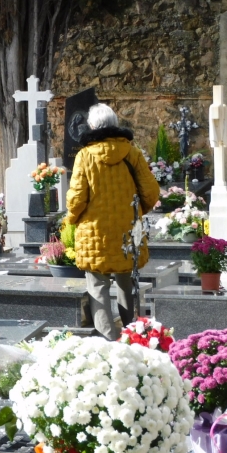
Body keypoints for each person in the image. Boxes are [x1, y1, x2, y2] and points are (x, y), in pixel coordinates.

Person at [66, 104, 160, 340]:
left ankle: (108, 340)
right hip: (127, 230)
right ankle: (132, 335)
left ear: (93, 126)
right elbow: (151, 192)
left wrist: (71, 220)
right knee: (127, 284)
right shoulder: (132, 153)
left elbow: (77, 198)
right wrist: (137, 212)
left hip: (93, 232)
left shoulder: (84, 156)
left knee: (98, 287)